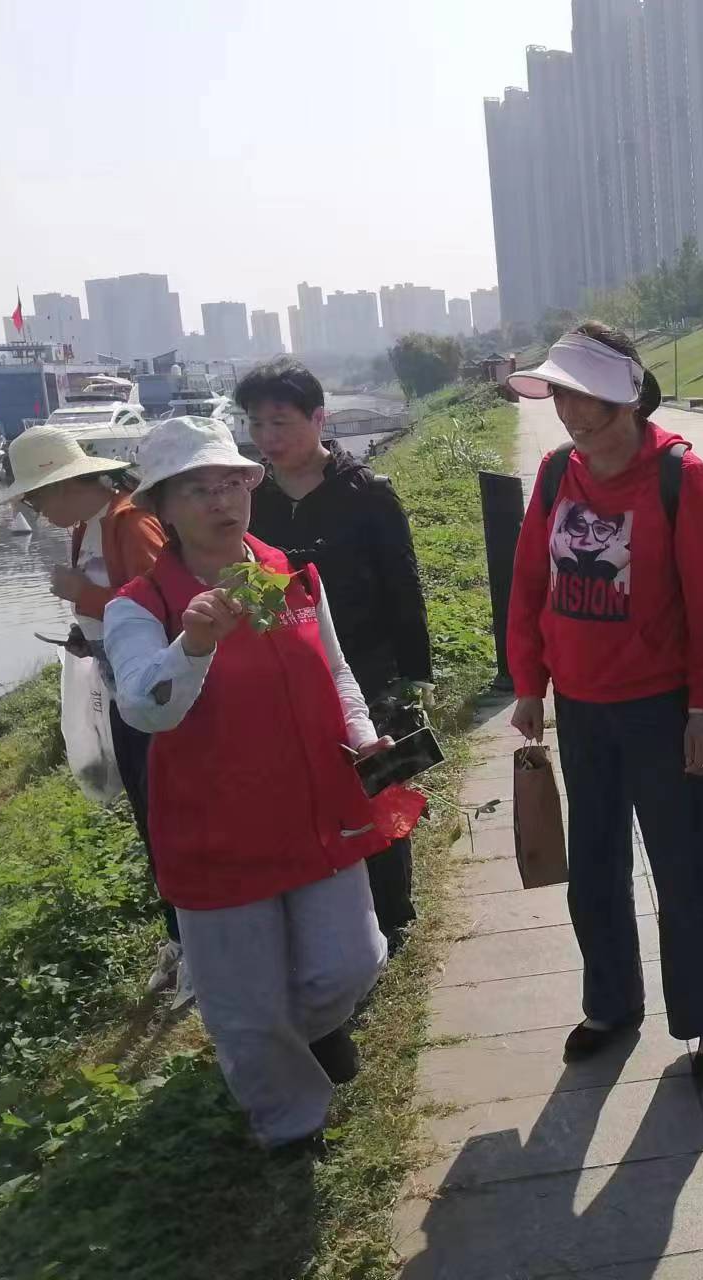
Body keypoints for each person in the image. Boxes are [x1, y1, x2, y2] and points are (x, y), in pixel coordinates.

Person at [105, 416, 398, 1155]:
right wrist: (193, 643)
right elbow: (144, 707)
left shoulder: (289, 573)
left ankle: (301, 1040)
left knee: (353, 962)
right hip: (216, 832)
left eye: (231, 483)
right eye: (197, 490)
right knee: (246, 1003)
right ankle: (289, 1123)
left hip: (315, 810)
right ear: (162, 509)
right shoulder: (139, 605)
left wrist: (364, 736)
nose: (220, 501)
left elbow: (335, 670)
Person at [506, 324, 703, 1086]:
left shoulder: (681, 477)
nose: (571, 416)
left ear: (626, 402)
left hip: (663, 709)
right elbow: (529, 587)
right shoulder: (554, 476)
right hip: (581, 708)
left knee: (685, 863)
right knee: (595, 864)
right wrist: (529, 684)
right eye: (562, 398)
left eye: (587, 401)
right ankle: (611, 1002)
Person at [243, 357, 433, 954]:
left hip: (368, 665)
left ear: (319, 419)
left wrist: (414, 675)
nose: (268, 438)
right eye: (256, 424)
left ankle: (392, 912)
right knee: (309, 787)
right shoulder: (252, 500)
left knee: (377, 785)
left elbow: (403, 585)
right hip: (289, 672)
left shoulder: (366, 492)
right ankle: (328, 906)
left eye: (280, 422)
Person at [0, 425, 181, 992]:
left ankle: (195, 939)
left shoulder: (130, 521)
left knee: (168, 816)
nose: (37, 511)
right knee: (150, 816)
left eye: (36, 499)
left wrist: (84, 596)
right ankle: (182, 934)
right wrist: (86, 630)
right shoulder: (89, 525)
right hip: (122, 689)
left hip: (156, 696)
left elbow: (166, 606)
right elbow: (118, 612)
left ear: (65, 485)